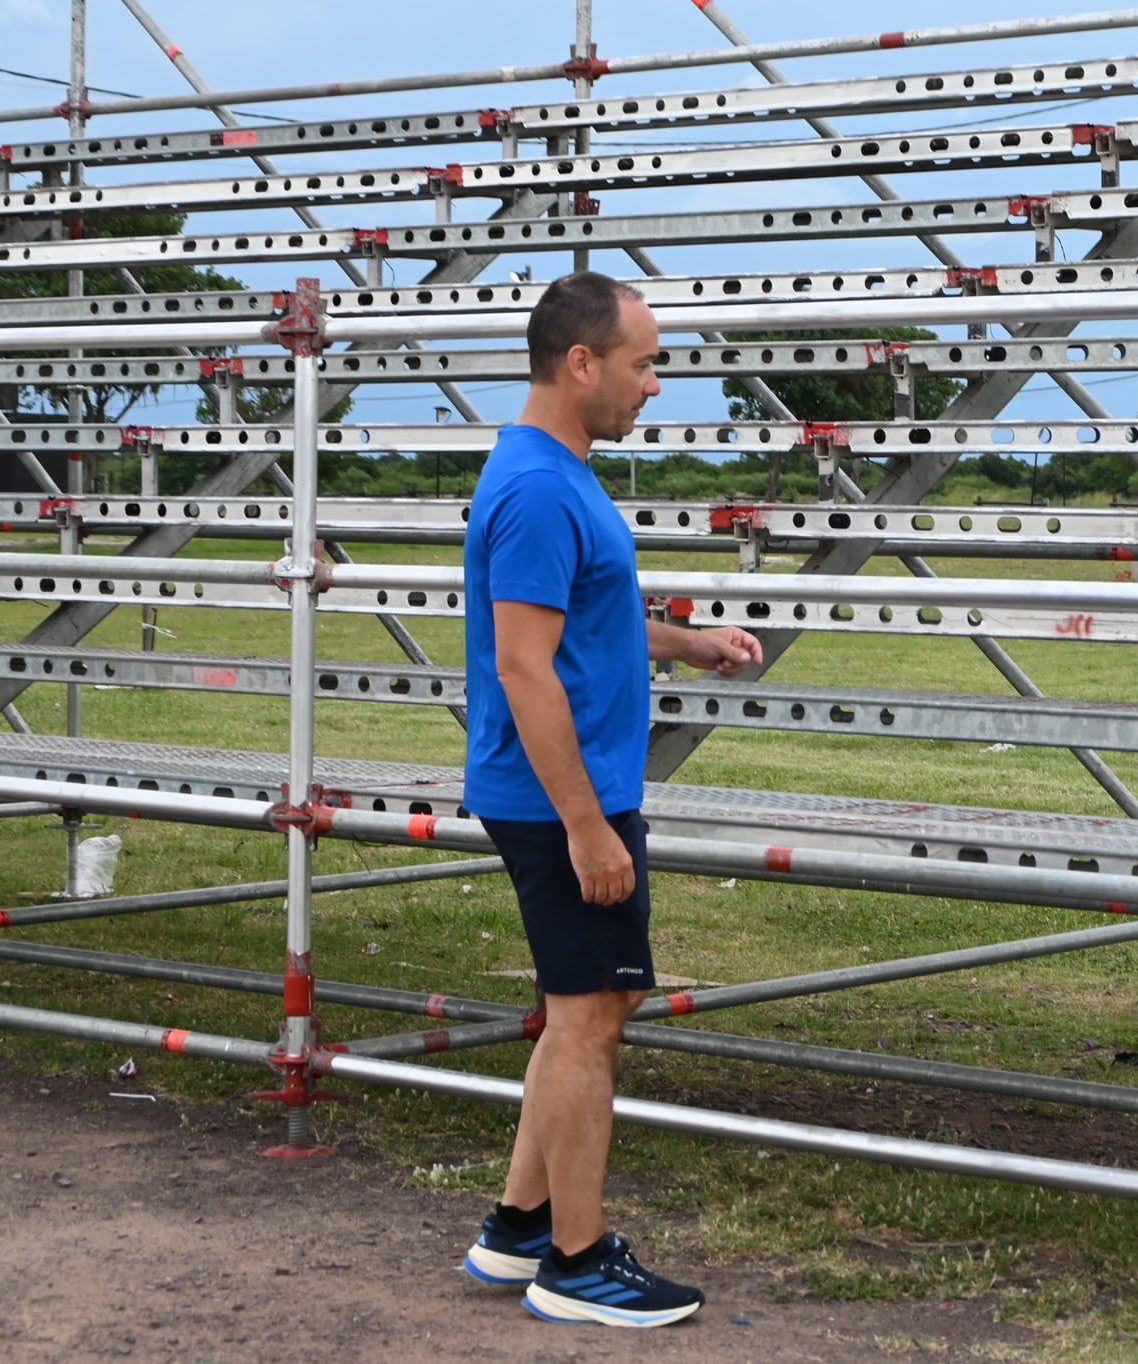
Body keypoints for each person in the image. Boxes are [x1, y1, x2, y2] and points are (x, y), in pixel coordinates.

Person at [457, 271, 762, 1328]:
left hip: (569, 789)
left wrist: (693, 643)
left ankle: (517, 1228)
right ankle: (578, 1262)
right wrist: (587, 824)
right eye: (643, 362)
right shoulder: (541, 487)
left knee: (590, 1004)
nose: (655, 384)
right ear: (581, 362)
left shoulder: (556, 472)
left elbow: (593, 615)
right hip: (559, 797)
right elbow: (524, 665)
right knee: (588, 1019)